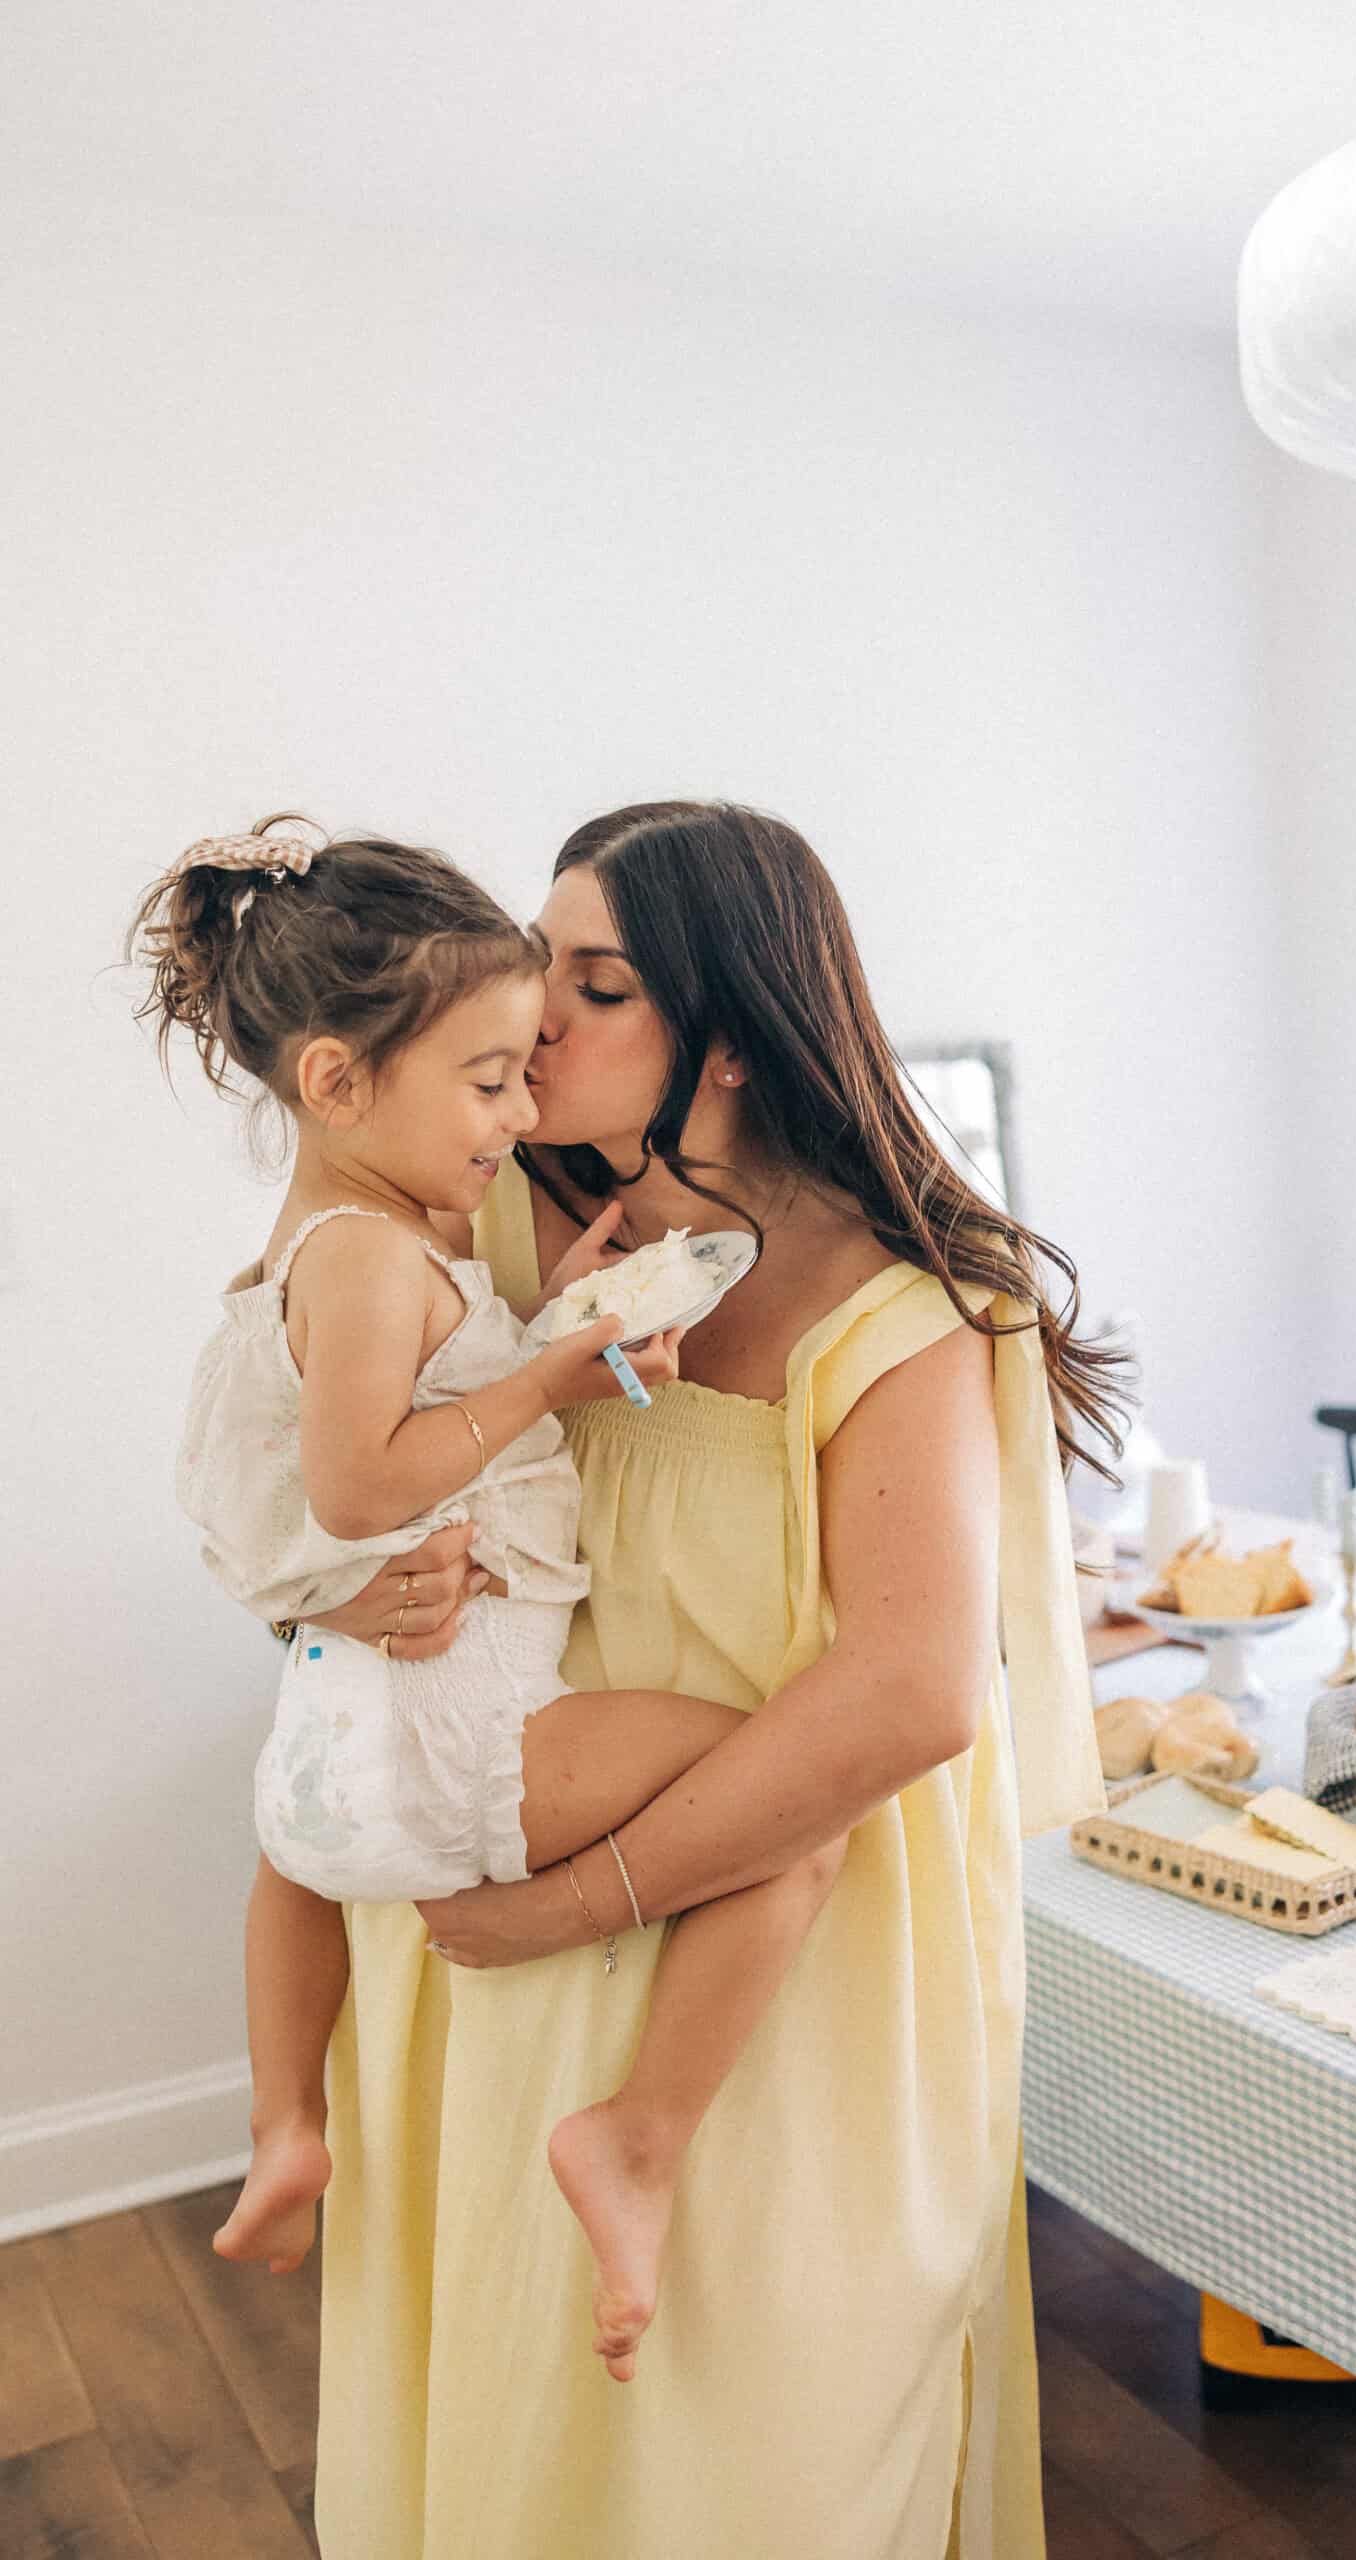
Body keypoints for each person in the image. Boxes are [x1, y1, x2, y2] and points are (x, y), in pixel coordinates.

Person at [300, 801, 1120, 2560]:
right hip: (504, 1870)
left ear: (733, 1040)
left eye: (595, 986)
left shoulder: (898, 1311)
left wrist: (573, 1901)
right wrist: (355, 1581)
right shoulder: (486, 1219)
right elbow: (302, 1474)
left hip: (780, 1952)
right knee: (525, 2431)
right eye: (540, 964)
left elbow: (909, 1697)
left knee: (759, 2454)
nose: (535, 1016)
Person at [135, 820, 862, 2378]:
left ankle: (286, 2123)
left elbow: (359, 1468)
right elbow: (363, 1487)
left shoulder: (355, 1244)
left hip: (334, 1756)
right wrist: (546, 1371)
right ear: (338, 1083)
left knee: (295, 1866)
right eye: (487, 1082)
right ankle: (638, 2140)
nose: (521, 1111)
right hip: (463, 1737)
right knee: (788, 1810)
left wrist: (547, 1326)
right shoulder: (366, 1259)